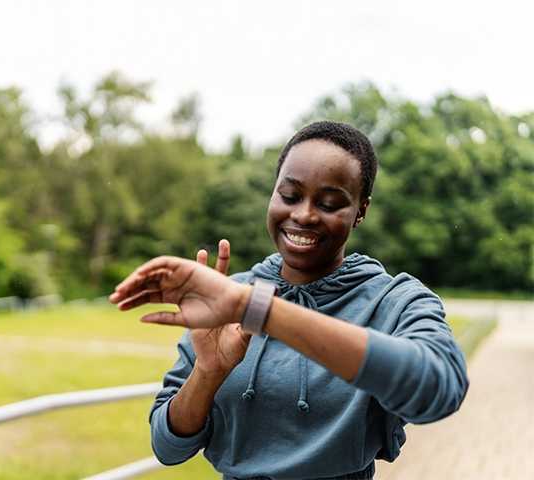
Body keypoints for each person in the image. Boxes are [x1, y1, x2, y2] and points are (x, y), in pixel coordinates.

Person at [109, 121, 469, 480]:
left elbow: (440, 388)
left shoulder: (395, 301)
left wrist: (261, 310)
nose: (304, 215)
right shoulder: (227, 298)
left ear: (361, 210)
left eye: (330, 203)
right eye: (290, 195)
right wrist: (208, 372)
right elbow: (168, 447)